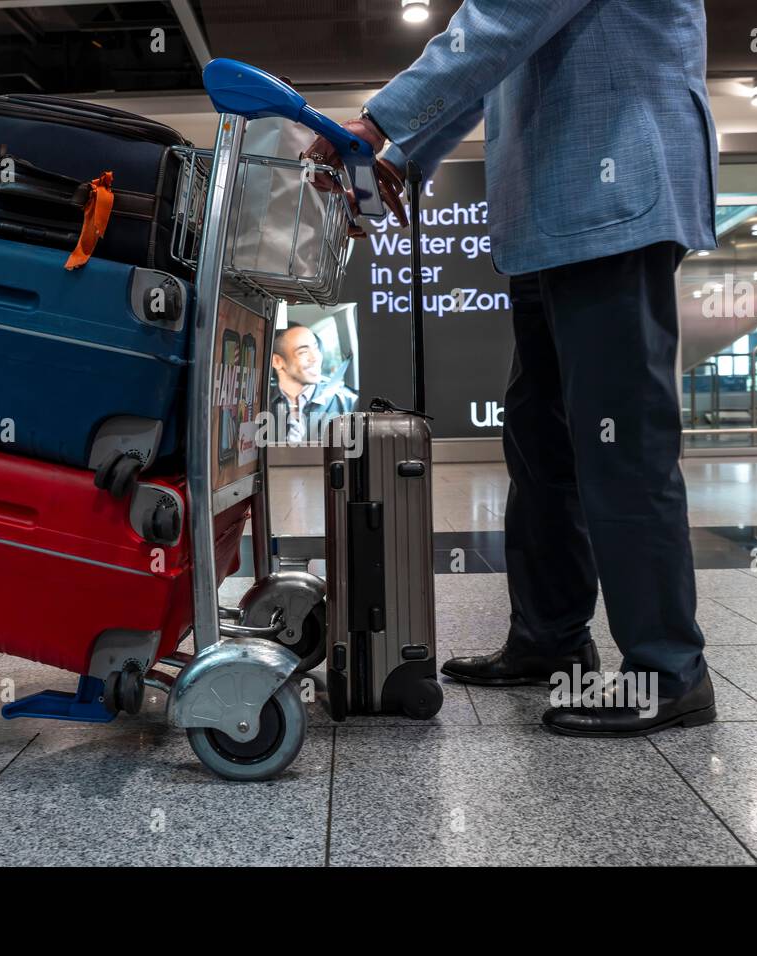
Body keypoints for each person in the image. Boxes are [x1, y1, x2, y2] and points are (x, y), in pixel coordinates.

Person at [304, 0, 719, 736]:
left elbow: (505, 19)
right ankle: (551, 638)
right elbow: (503, 63)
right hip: (554, 213)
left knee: (621, 444)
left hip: (613, 197)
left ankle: (668, 669)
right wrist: (401, 155)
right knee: (540, 442)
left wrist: (378, 120)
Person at [269, 324, 357, 443]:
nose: (315, 358)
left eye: (316, 348)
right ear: (277, 361)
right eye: (303, 352)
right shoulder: (261, 403)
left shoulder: (346, 402)